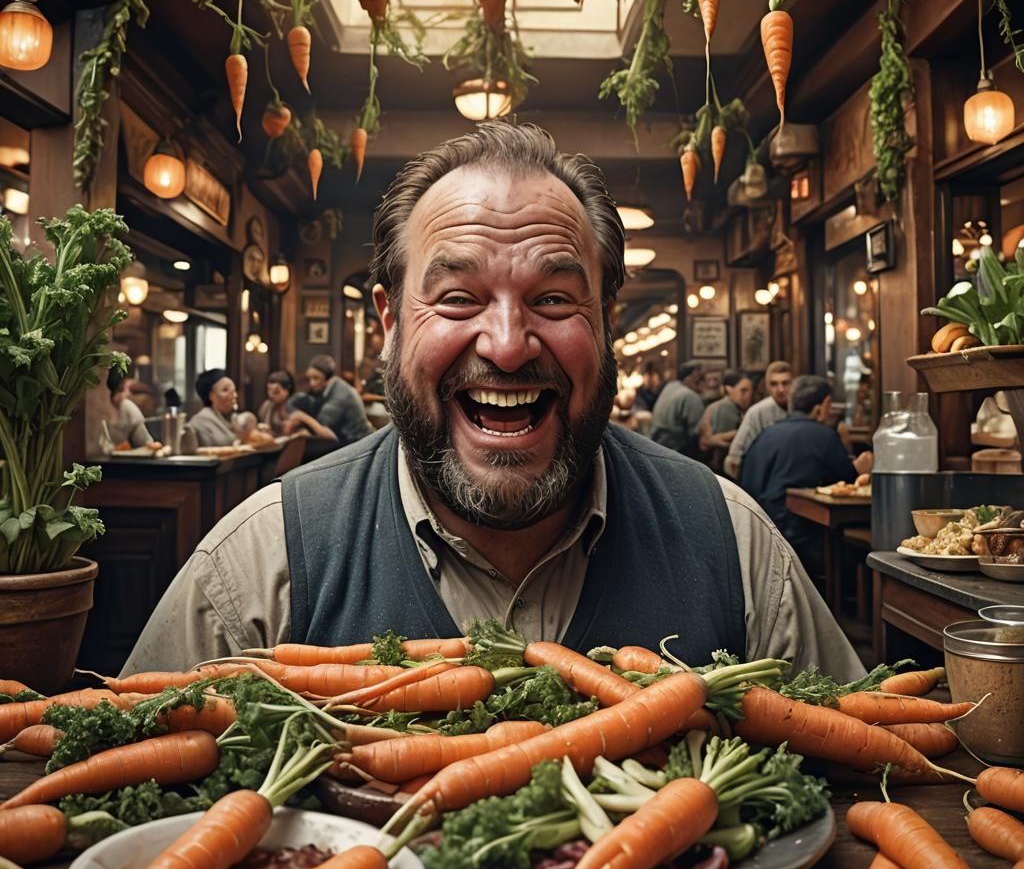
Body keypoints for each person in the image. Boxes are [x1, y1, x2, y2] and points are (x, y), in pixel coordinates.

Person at [123, 122, 863, 683]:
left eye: (552, 298)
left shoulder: (736, 547)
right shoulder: (257, 568)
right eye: (456, 298)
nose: (508, 346)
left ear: (605, 319)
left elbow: (866, 786)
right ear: (390, 321)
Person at [740, 375, 873, 568]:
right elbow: (846, 485)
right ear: (824, 404)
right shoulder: (824, 436)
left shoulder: (766, 434)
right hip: (799, 542)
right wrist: (859, 469)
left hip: (755, 537)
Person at [284, 355, 373, 446]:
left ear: (328, 378)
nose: (312, 383)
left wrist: (301, 416)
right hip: (348, 441)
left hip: (358, 444)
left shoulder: (339, 395)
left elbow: (324, 429)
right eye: (309, 378)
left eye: (316, 378)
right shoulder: (332, 387)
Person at [724, 360, 792, 478]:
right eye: (774, 384)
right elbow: (734, 458)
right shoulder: (757, 412)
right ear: (767, 387)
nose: (780, 389)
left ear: (793, 384)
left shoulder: (802, 407)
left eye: (785, 383)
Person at [697, 369, 753, 474]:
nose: (748, 395)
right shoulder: (726, 407)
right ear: (729, 389)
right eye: (743, 391)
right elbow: (722, 451)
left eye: (750, 391)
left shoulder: (728, 406)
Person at [185, 369, 257, 447]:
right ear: (211, 396)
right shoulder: (201, 421)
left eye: (234, 391)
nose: (234, 396)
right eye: (225, 390)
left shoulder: (233, 418)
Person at [648, 362, 706, 456]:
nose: (703, 381)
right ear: (692, 376)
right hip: (675, 451)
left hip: (656, 446)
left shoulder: (670, 386)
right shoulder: (691, 396)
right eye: (701, 377)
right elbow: (695, 434)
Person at [105, 370, 162, 451]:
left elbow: (147, 444)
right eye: (122, 389)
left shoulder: (128, 408)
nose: (128, 393)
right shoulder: (91, 411)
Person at [257, 370, 295, 436]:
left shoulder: (293, 407)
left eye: (276, 392)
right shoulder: (267, 405)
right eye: (268, 390)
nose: (271, 395)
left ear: (286, 391)